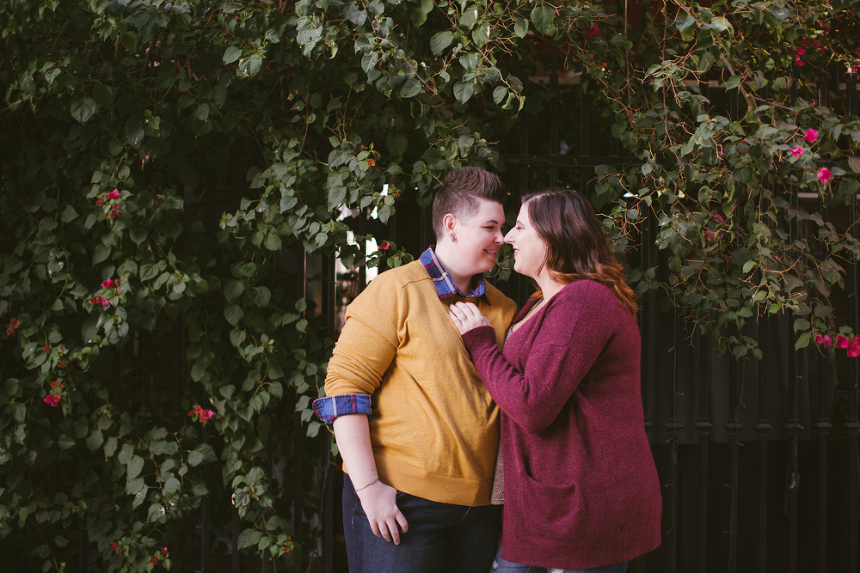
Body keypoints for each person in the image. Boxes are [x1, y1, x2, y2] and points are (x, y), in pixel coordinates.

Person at [313, 167, 518, 573]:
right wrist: (368, 488)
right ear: (451, 225)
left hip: (479, 513)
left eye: (504, 228)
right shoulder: (396, 290)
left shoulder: (504, 308)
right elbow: (343, 389)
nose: (502, 239)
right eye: (491, 227)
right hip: (401, 503)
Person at [448, 188, 662, 573]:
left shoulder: (583, 301)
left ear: (552, 235)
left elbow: (533, 406)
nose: (507, 238)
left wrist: (480, 344)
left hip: (582, 507)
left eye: (518, 227)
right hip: (542, 506)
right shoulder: (538, 303)